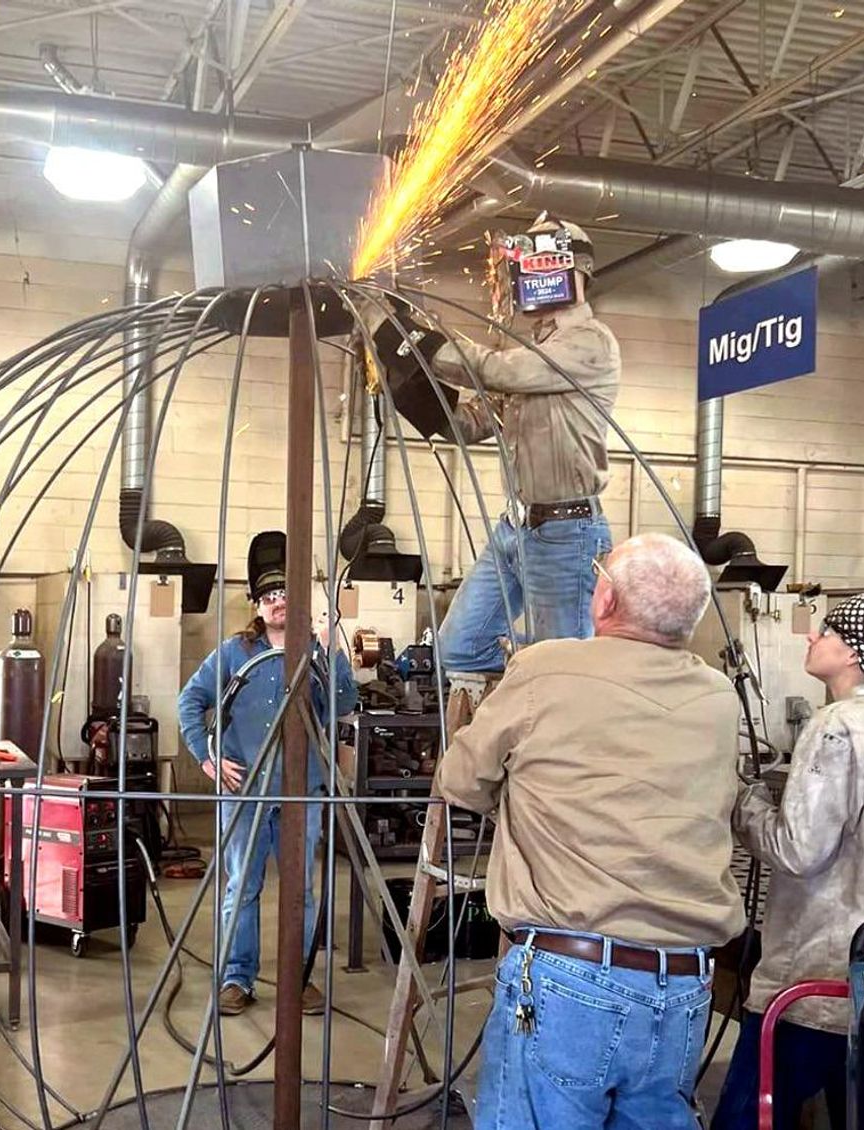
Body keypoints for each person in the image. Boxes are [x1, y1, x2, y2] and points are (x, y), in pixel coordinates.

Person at [435, 533, 745, 1129]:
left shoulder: (545, 668)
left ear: (603, 601)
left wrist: (525, 800)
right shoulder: (717, 696)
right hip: (682, 989)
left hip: (570, 980)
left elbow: (461, 779)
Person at [712, 590, 864, 1130]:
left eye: (827, 631)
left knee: (748, 1116)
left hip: (812, 983)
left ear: (854, 652)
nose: (812, 636)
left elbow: (797, 850)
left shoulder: (837, 725)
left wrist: (742, 800)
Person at [367, 215, 620, 671]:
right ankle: (536, 667)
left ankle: (561, 678)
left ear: (575, 272)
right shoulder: (534, 356)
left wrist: (410, 339)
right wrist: (404, 380)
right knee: (458, 650)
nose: (531, 279)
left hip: (565, 534)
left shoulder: (588, 342)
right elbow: (466, 425)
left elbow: (495, 370)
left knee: (563, 670)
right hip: (515, 529)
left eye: (543, 267)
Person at [176, 531, 358, 1017]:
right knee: (242, 886)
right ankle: (237, 978)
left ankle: (297, 981)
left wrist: (331, 645)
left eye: (287, 595)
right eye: (270, 596)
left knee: (302, 891)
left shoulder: (317, 654)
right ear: (257, 604)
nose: (279, 603)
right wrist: (207, 758)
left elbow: (346, 704)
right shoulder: (235, 653)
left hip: (303, 794)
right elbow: (190, 701)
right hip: (245, 793)